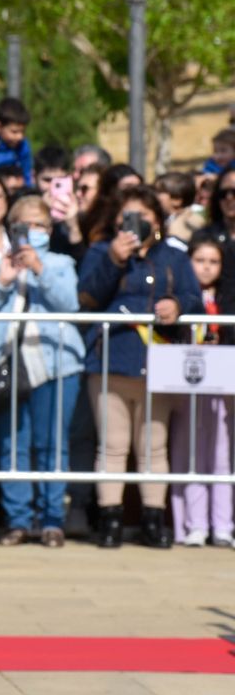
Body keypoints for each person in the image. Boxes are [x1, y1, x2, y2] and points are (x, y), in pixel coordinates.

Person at [77, 186, 199, 549]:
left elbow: (193, 296)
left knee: (153, 446)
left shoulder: (173, 257)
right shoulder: (101, 251)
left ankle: (152, 519)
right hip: (111, 360)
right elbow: (87, 296)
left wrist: (177, 305)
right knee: (112, 446)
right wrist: (114, 259)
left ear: (158, 222)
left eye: (144, 216)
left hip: (158, 363)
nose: (136, 223)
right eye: (128, 216)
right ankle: (110, 519)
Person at [0, 196, 84, 548]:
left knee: (52, 444)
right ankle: (17, 519)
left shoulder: (61, 263)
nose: (32, 231)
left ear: (49, 230)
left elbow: (70, 303)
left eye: (39, 225)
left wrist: (39, 269)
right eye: (24, 225)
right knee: (13, 445)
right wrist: (2, 282)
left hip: (56, 363)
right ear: (12, 229)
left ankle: (52, 520)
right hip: (6, 364)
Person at [170, 234, 234, 547]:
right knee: (190, 453)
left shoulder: (227, 298)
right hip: (187, 383)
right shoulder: (180, 296)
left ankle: (222, 525)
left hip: (223, 382)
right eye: (199, 261)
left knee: (222, 454)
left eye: (213, 262)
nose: (206, 267)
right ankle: (193, 524)